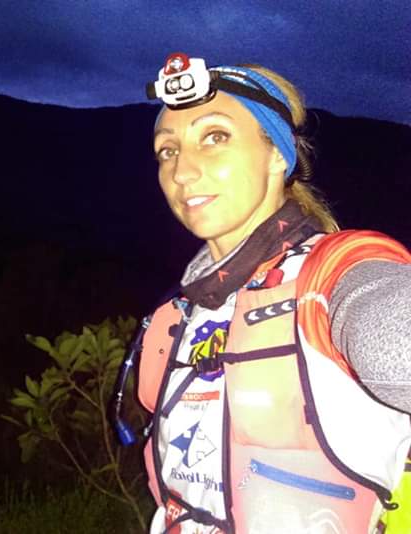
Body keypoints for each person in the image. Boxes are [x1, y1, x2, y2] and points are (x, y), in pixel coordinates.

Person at [133, 53, 411, 533]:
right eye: (167, 151)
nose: (182, 172)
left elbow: (390, 331)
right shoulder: (174, 318)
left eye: (215, 137)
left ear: (279, 155)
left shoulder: (336, 276)